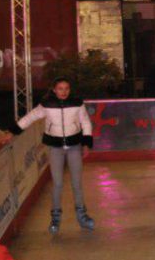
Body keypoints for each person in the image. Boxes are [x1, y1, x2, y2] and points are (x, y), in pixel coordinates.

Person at [5, 78, 95, 234]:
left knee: (76, 183)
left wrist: (86, 143)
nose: (64, 91)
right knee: (58, 183)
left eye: (66, 88)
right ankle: (55, 217)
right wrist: (12, 131)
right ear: (54, 90)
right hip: (55, 147)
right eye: (60, 88)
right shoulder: (47, 104)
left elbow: (85, 122)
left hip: (74, 146)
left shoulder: (77, 103)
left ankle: (82, 216)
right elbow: (30, 117)